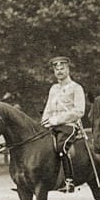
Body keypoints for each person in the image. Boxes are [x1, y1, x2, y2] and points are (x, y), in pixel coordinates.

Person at [41, 56, 87, 192]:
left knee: (62, 147)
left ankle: (69, 181)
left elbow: (79, 111)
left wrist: (57, 120)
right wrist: (44, 123)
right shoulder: (53, 89)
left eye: (62, 68)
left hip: (69, 126)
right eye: (57, 69)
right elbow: (48, 109)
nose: (59, 71)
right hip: (52, 126)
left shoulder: (76, 88)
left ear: (68, 69)